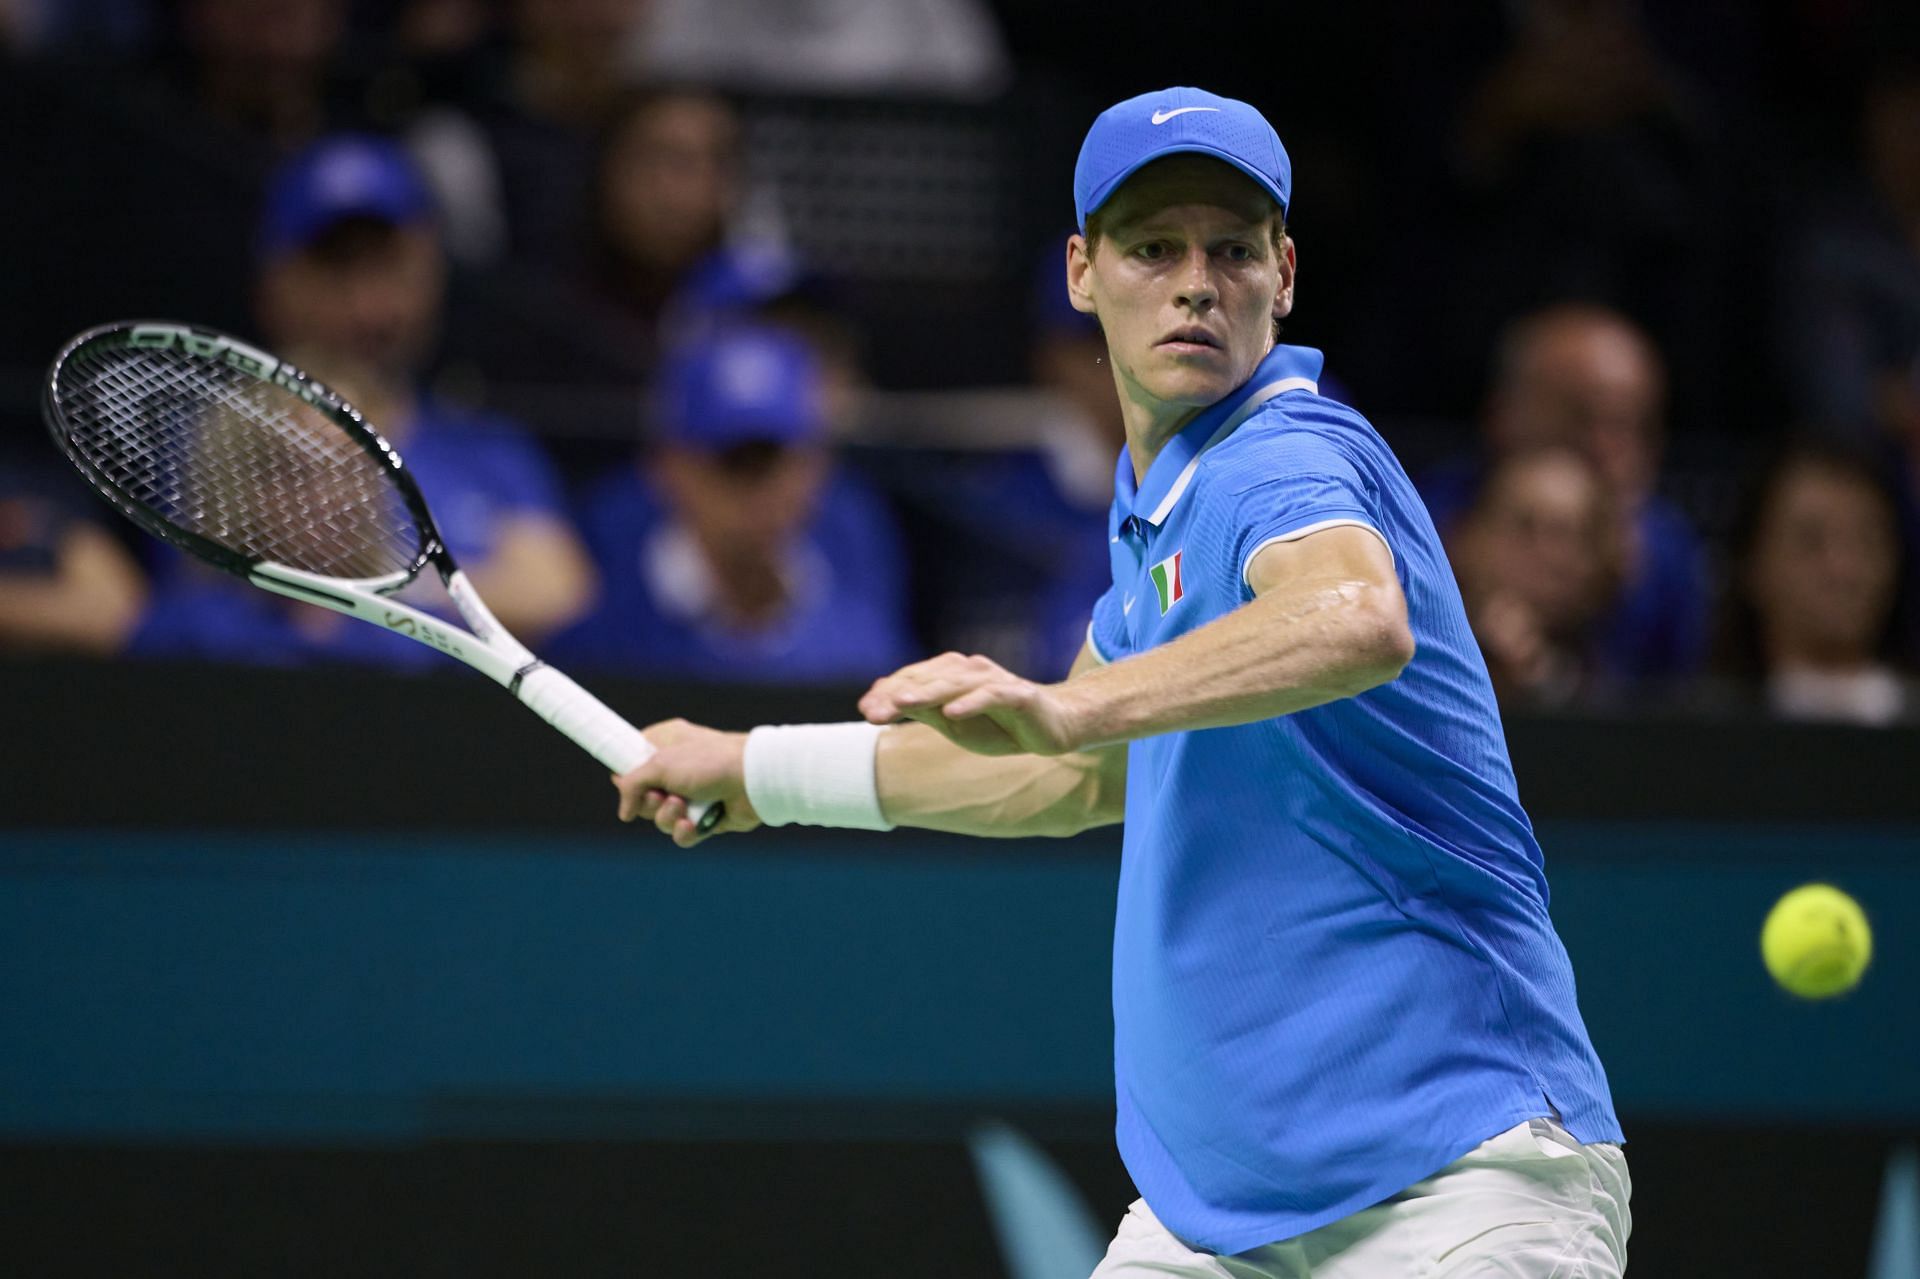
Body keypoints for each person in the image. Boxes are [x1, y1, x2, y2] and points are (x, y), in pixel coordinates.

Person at [611, 88, 1630, 1276]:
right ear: (1084, 272)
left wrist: (1074, 700)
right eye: (1154, 249)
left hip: (1456, 1184)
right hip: (1224, 1218)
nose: (1197, 281)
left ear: (1284, 275)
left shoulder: (1286, 453)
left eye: (1233, 250)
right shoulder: (1162, 514)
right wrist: (754, 768)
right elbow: (1062, 779)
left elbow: (1355, 616)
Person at [131, 135, 595, 667]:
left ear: (431, 271)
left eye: (389, 265)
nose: (367, 308)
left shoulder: (490, 448)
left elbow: (557, 593)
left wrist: (366, 601)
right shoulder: (209, 440)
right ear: (275, 282)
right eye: (336, 269)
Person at [549, 324, 914, 682]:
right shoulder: (597, 625)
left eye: (783, 458)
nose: (768, 486)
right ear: (670, 469)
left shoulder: (862, 620)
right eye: (738, 462)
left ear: (817, 466)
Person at [1421, 303, 1708, 689]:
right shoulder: (1417, 523)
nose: (1611, 449)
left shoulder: (1665, 555)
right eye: (1582, 418)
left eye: (1638, 426)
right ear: (1503, 414)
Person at [1712, 439, 1915, 725]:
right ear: (1752, 563)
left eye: (1867, 541)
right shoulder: (1703, 731)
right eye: (1810, 542)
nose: (1843, 570)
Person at [1448, 446, 1623, 707]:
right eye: (1523, 526)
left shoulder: (1623, 669)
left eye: (1563, 533)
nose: (1547, 553)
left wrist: (1539, 673)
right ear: (1472, 540)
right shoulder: (1420, 645)